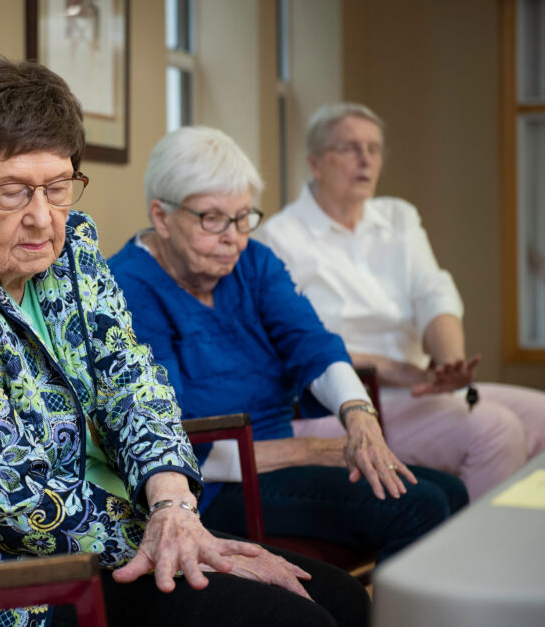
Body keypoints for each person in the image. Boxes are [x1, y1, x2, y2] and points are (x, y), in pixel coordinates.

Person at [0, 55, 371, 627]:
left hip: (111, 535)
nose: (43, 218)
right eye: (13, 192)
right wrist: (179, 541)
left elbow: (134, 382)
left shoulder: (72, 250)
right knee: (291, 621)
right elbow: (15, 498)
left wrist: (172, 503)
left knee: (339, 597)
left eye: (57, 186)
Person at [108, 125, 466, 562]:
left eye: (243, 217)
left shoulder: (253, 262)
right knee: (420, 506)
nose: (234, 237)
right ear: (161, 217)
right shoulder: (127, 287)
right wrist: (316, 449)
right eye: (212, 218)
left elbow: (312, 343)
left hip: (277, 463)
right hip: (210, 486)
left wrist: (359, 418)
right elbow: (169, 436)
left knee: (452, 493)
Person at [258, 103, 545, 500]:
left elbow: (433, 293)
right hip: (343, 403)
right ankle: (466, 559)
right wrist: (393, 369)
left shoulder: (398, 217)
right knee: (496, 430)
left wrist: (449, 364)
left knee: (541, 417)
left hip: (420, 389)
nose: (365, 160)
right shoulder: (278, 238)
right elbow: (288, 344)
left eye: (374, 149)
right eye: (350, 148)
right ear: (315, 163)